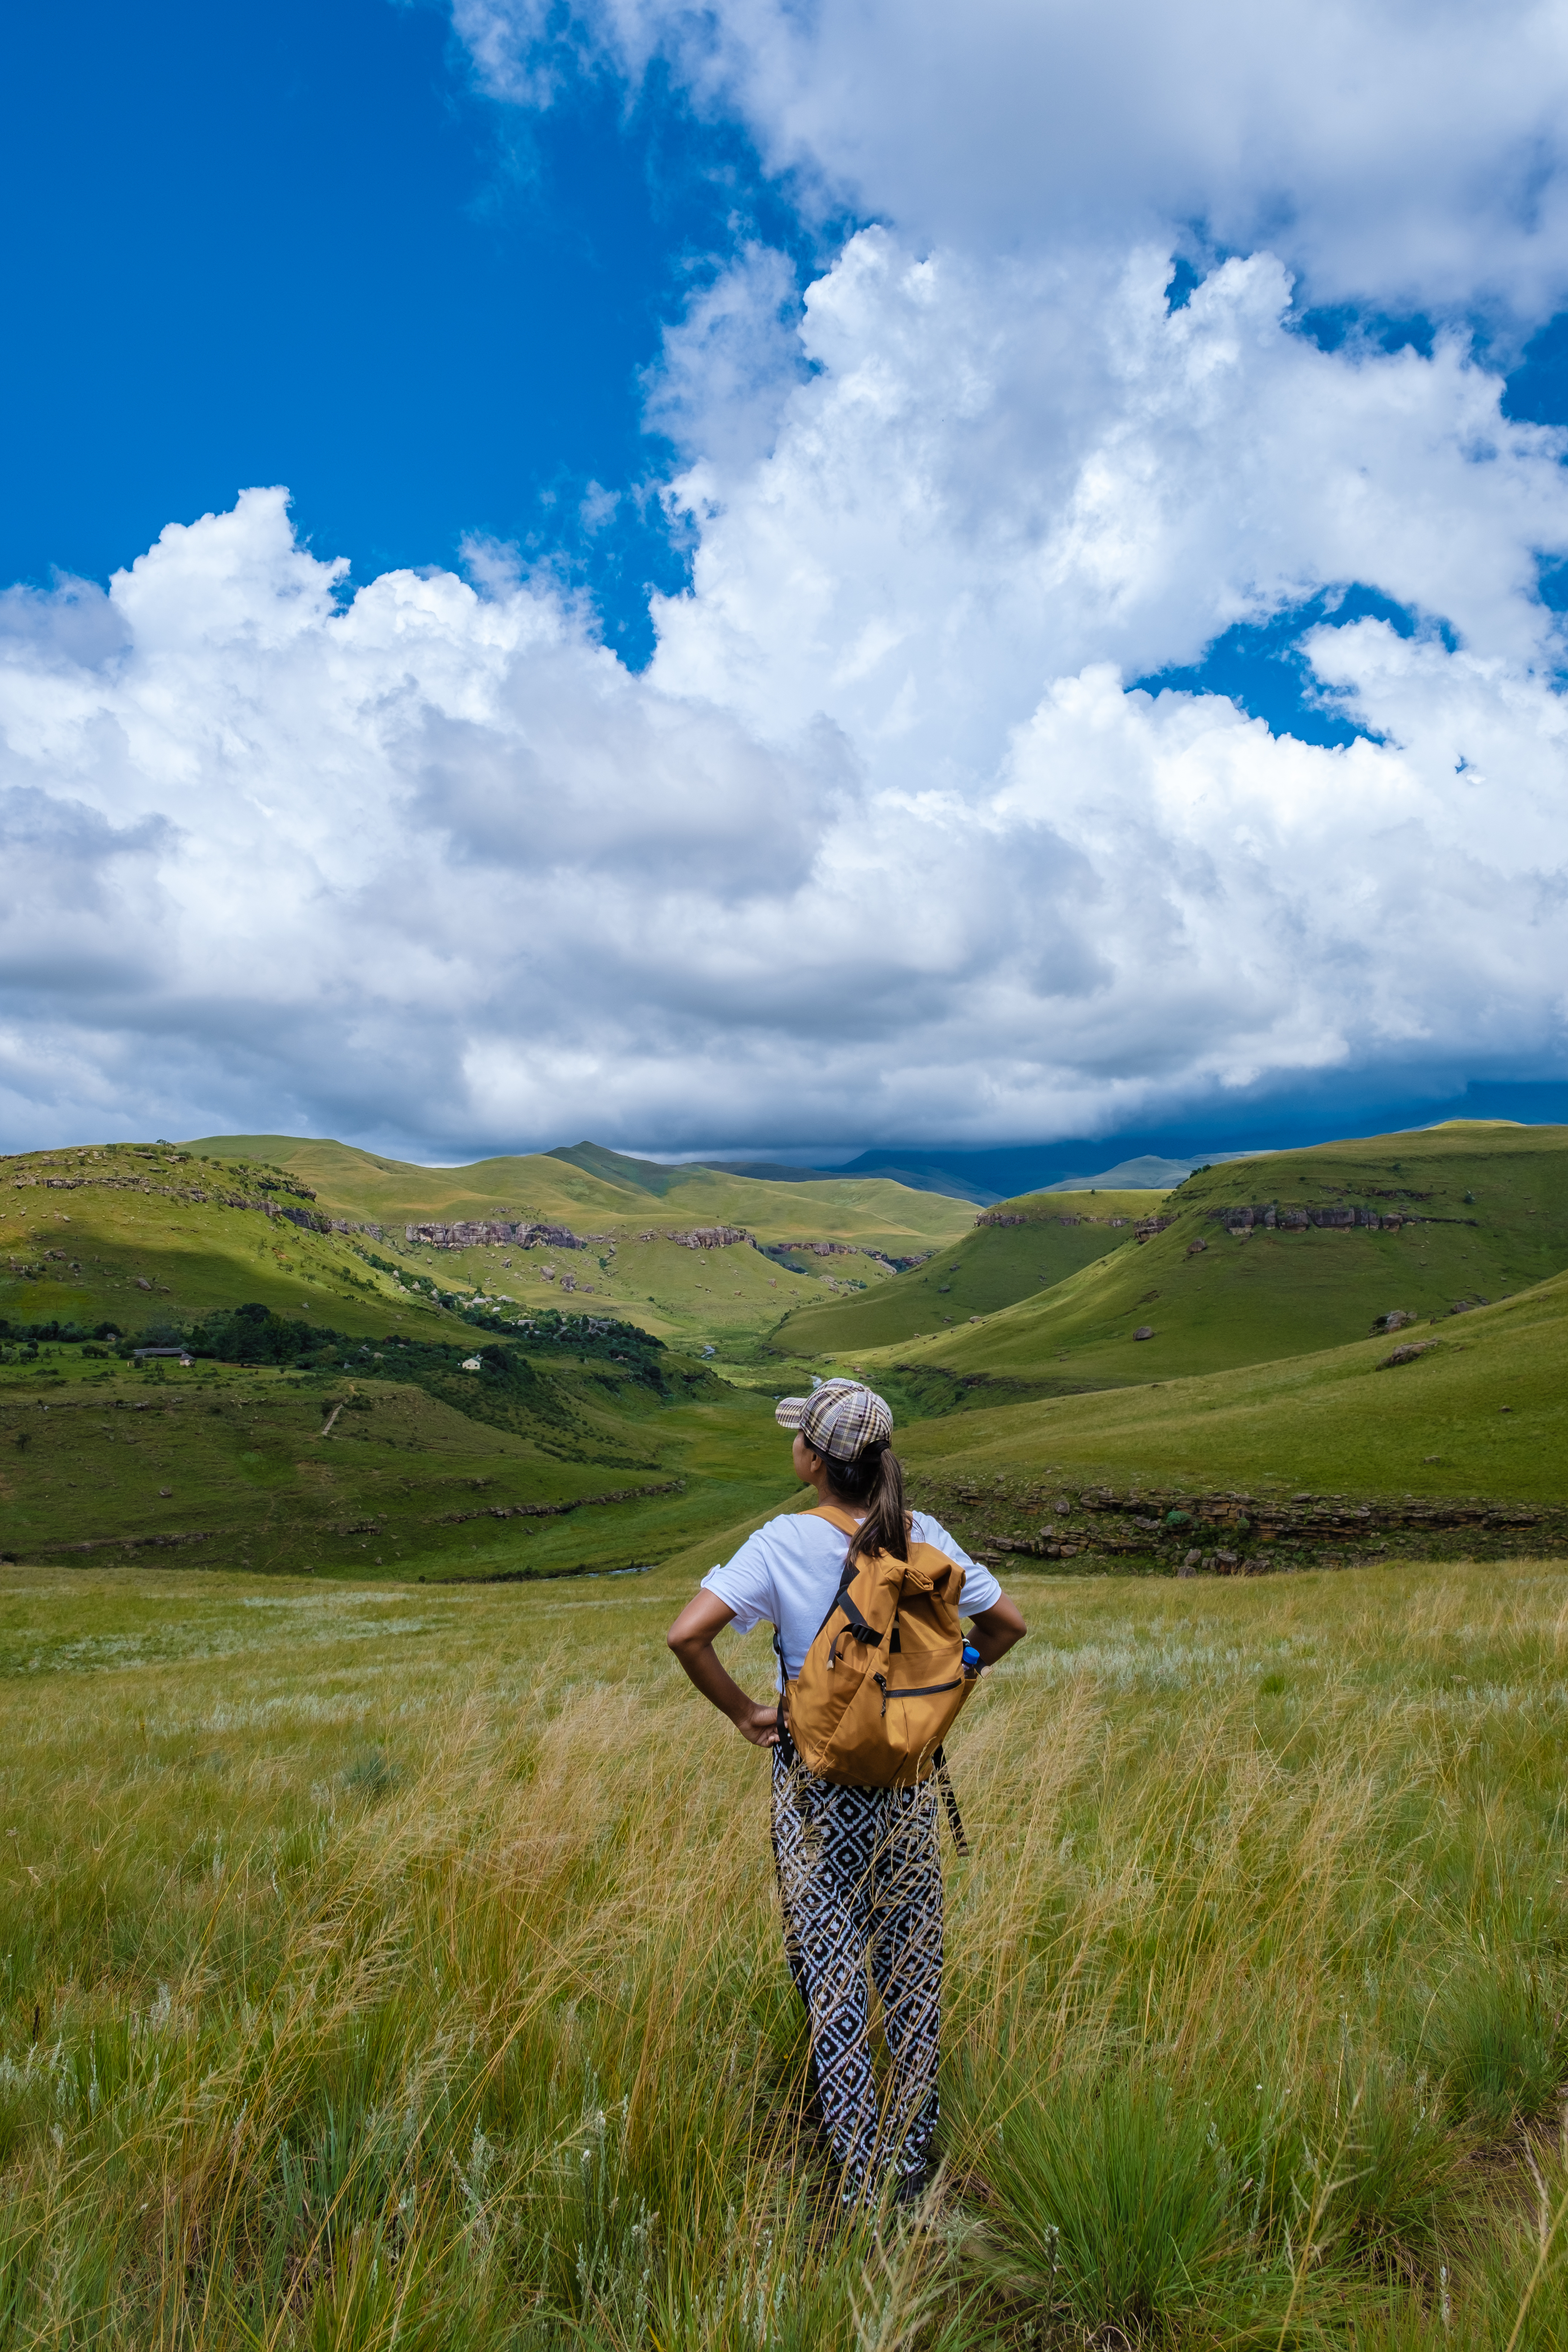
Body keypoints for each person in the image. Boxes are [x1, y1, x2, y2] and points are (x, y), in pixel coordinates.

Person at [667, 1378, 1027, 2207]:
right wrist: (950, 1686)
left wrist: (748, 1716)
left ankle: (860, 2178)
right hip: (905, 1781)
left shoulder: (780, 1543)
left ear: (816, 1461)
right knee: (911, 1969)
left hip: (813, 1788)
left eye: (797, 1437)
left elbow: (688, 1635)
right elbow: (1005, 1624)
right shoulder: (923, 1534)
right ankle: (911, 2162)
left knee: (831, 1973)